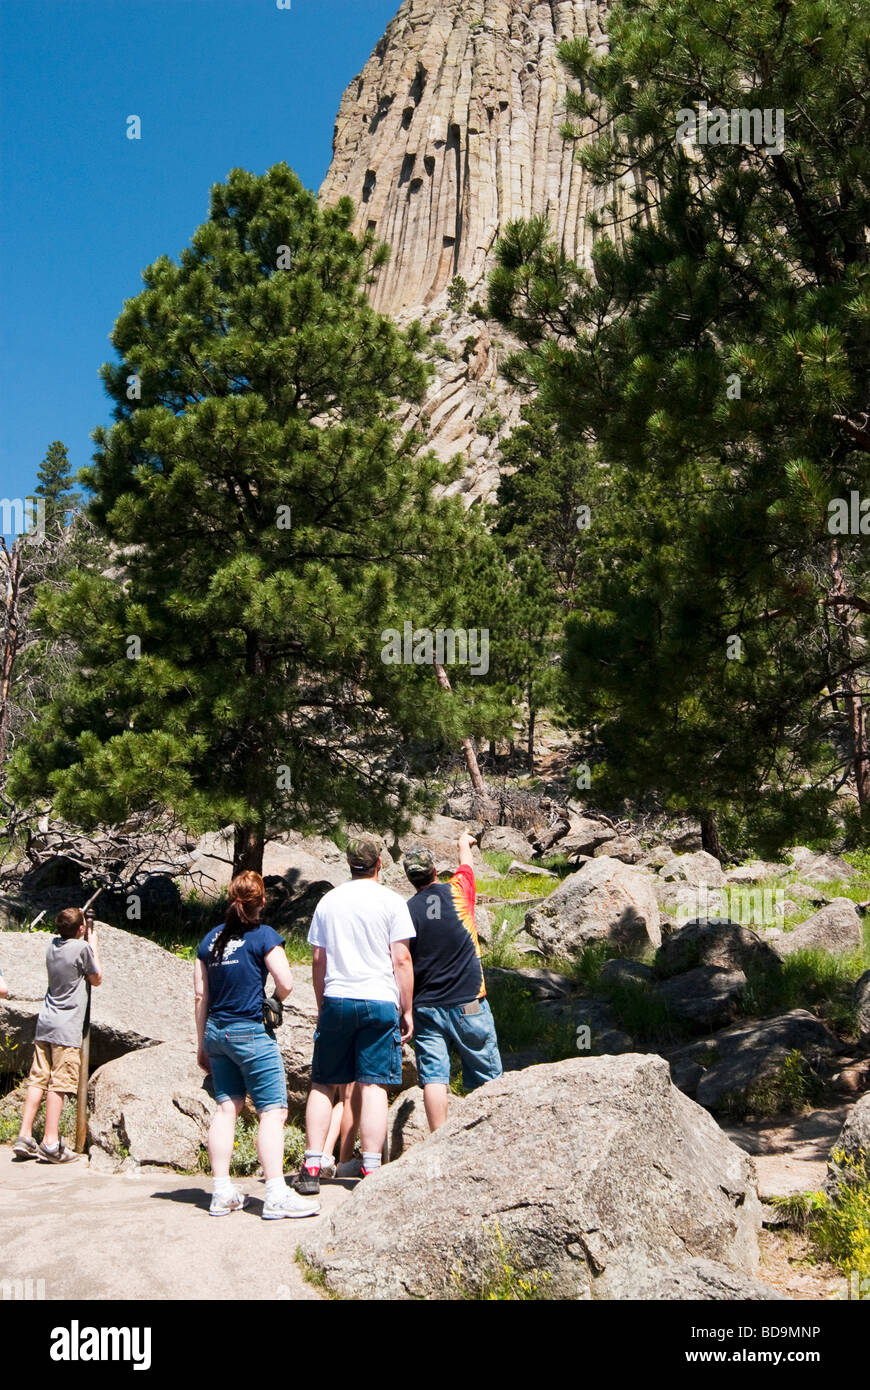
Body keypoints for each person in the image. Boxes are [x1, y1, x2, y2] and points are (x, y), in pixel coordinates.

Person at [293, 837, 415, 1194]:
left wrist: (321, 1004)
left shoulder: (329, 902)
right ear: (379, 863)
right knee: (373, 1083)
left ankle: (313, 1164)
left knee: (324, 1083)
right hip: (379, 1000)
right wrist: (406, 1007)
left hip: (338, 997)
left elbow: (319, 960)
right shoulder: (392, 901)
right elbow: (402, 960)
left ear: (349, 864)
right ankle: (371, 1169)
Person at [195, 870, 318, 1220]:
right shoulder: (264, 936)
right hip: (249, 1031)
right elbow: (286, 981)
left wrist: (202, 1042)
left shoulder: (209, 941)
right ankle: (276, 1194)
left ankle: (221, 1192)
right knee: (273, 1111)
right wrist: (274, 1001)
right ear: (262, 901)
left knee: (226, 1108)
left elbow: (200, 994)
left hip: (217, 1033)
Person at [403, 829, 502, 1132]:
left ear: (411, 878)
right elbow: (467, 866)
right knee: (486, 1072)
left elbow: (402, 960)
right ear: (435, 871)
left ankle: (439, 1142)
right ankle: (494, 1133)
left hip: (426, 1007)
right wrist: (463, 843)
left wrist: (404, 1008)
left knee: (434, 1077)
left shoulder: (405, 911)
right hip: (470, 1001)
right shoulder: (459, 890)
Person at [13, 907, 102, 1163]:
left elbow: (69, 932)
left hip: (46, 1022)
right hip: (67, 1028)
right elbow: (96, 978)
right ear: (82, 929)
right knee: (60, 1083)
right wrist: (93, 944)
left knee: (37, 1078)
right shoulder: (83, 949)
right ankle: (50, 1142)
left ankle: (24, 1135)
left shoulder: (52, 946)